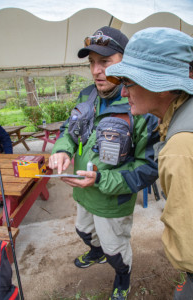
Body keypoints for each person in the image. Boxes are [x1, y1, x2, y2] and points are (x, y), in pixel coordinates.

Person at [49, 26, 159, 300]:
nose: (96, 71)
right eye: (92, 63)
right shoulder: (87, 95)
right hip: (83, 193)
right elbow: (68, 130)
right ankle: (95, 252)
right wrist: (63, 149)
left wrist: (100, 179)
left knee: (116, 251)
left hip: (113, 202)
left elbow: (149, 168)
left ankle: (123, 279)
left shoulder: (141, 105)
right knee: (83, 231)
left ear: (126, 61)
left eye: (105, 62)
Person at [105, 27, 193, 299]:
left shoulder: (180, 147)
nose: (122, 93)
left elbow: (189, 250)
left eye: (129, 82)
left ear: (163, 85)